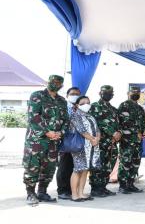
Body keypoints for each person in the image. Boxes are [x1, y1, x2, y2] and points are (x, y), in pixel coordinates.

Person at [23, 75, 69, 205]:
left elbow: (66, 120)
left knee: (49, 167)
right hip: (37, 140)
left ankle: (42, 192)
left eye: (59, 83)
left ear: (61, 85)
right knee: (33, 166)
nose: (56, 84)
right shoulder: (37, 95)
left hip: (54, 141)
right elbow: (34, 116)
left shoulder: (62, 100)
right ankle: (30, 193)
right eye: (53, 82)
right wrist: (47, 132)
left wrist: (60, 133)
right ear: (48, 82)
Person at [88, 85, 121, 197]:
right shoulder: (94, 107)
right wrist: (112, 132)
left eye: (110, 93)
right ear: (100, 93)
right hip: (100, 142)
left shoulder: (113, 109)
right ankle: (95, 189)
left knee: (108, 166)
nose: (108, 94)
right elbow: (94, 123)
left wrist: (118, 132)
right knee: (98, 165)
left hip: (111, 143)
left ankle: (103, 187)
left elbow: (118, 123)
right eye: (105, 92)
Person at [69, 96, 101, 202]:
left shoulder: (90, 116)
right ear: (77, 105)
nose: (86, 104)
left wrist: (97, 139)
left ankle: (81, 193)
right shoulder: (75, 116)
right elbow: (81, 130)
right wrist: (92, 139)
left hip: (91, 146)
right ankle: (74, 194)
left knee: (85, 169)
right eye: (83, 103)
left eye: (88, 102)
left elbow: (97, 129)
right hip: (80, 146)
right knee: (78, 169)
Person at [118, 86, 145, 194]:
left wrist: (144, 131)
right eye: (133, 92)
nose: (136, 93)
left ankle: (130, 184)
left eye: (137, 92)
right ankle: (122, 185)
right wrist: (136, 131)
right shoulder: (124, 105)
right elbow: (122, 122)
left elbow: (143, 123)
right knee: (125, 162)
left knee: (135, 163)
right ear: (128, 93)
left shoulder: (140, 108)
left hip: (138, 141)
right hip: (127, 140)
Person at [56, 86, 80, 200]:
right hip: (65, 140)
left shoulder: (79, 108)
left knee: (74, 166)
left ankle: (71, 190)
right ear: (67, 95)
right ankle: (62, 190)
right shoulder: (64, 107)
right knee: (64, 166)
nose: (75, 95)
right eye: (73, 93)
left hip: (78, 141)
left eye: (77, 94)